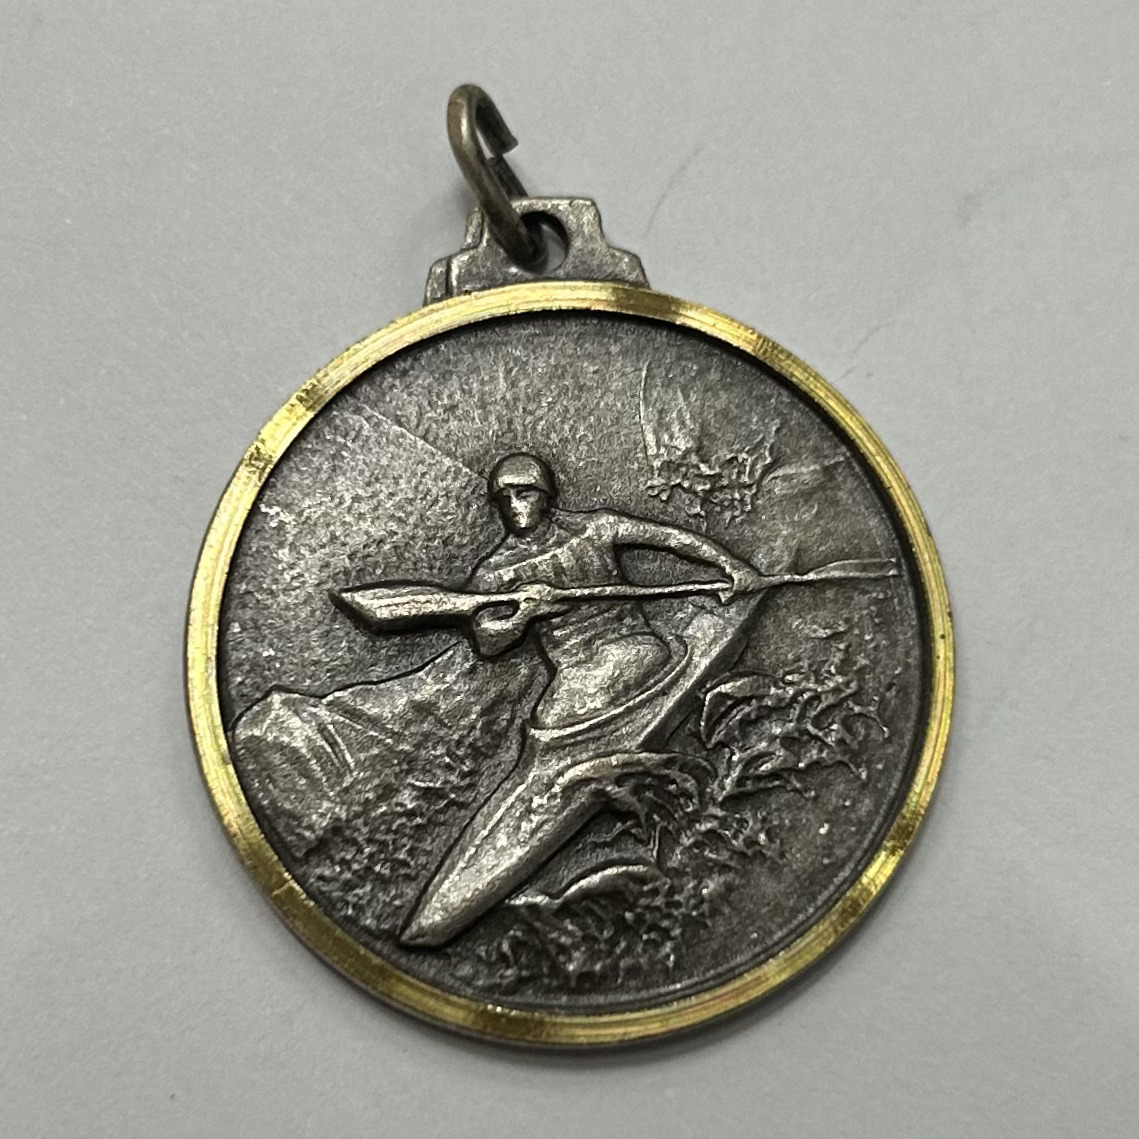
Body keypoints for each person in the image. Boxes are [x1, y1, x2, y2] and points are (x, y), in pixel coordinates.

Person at [466, 452, 766, 729]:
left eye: (524, 493)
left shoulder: (596, 528)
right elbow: (487, 643)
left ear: (545, 495)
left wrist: (732, 565)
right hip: (572, 671)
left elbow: (671, 538)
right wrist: (524, 615)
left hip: (631, 646)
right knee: (546, 720)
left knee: (605, 677)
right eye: (504, 499)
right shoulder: (495, 571)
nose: (513, 506)